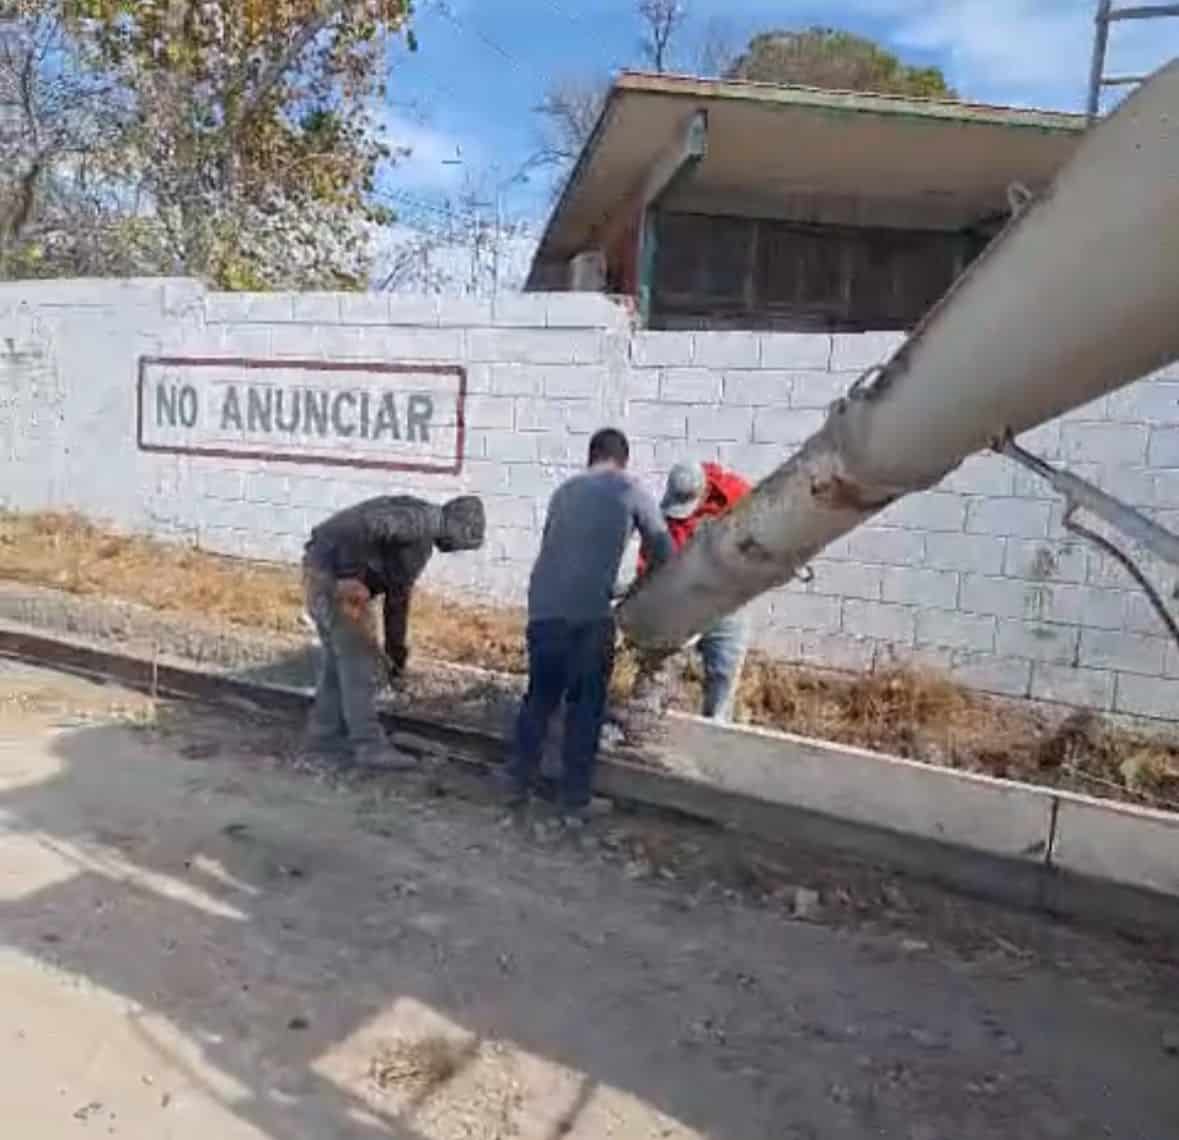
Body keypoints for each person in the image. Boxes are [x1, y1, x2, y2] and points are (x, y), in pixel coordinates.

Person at [505, 428, 673, 821]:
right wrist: (636, 590)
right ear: (623, 459)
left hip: (543, 608)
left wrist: (609, 587)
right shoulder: (630, 490)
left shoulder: (564, 491)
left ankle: (516, 780)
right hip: (586, 619)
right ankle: (574, 798)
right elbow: (665, 552)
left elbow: (561, 555)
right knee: (586, 706)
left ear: (591, 456)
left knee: (540, 699)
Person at [302, 494, 485, 769]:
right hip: (334, 579)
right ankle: (368, 746)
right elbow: (359, 525)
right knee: (358, 664)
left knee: (339, 664)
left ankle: (323, 739)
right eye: (464, 543)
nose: (457, 550)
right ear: (460, 528)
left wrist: (395, 657)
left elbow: (397, 600)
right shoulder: (419, 521)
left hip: (322, 571)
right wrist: (349, 575)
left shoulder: (419, 538)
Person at [638, 460, 752, 722]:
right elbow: (651, 563)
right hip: (683, 604)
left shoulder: (737, 496)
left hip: (728, 603)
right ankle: (643, 722)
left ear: (703, 492)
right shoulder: (668, 518)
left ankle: (714, 732)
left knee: (724, 675)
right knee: (657, 667)